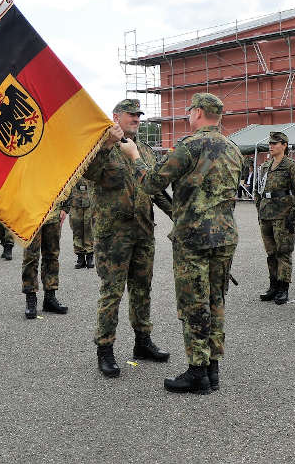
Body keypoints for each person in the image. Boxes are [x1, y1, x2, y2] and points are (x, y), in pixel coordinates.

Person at [118, 92, 242, 394]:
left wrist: (134, 155)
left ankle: (197, 372)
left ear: (198, 113)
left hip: (194, 239)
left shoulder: (189, 146)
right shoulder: (233, 148)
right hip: (225, 236)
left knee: (194, 303)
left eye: (191, 111)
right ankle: (212, 368)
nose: (189, 116)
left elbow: (150, 183)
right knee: (216, 301)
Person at [84, 98, 173, 378]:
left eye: (138, 115)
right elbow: (88, 173)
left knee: (142, 289)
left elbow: (155, 189)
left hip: (143, 231)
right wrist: (108, 144)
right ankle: (105, 349)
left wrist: (178, 215)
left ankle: (142, 342)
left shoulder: (144, 150)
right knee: (111, 293)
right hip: (114, 234)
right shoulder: (101, 148)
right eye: (131, 115)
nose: (136, 119)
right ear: (116, 117)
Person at [254, 131, 295, 304]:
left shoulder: (291, 166)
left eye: (275, 143)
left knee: (283, 253)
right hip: (266, 214)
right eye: (270, 143)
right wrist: (258, 209)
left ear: (284, 145)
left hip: (283, 215)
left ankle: (283, 288)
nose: (271, 146)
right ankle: (273, 285)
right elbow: (258, 190)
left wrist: (294, 212)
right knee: (271, 253)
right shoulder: (265, 166)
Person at [22, 199, 70, 319]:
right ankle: (31, 298)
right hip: (31, 214)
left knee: (52, 256)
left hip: (53, 213)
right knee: (30, 257)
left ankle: (50, 298)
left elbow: (67, 181)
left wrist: (65, 208)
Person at [68, 177, 95, 269]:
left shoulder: (90, 163)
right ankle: (80, 257)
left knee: (89, 229)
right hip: (74, 202)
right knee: (77, 229)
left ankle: (89, 256)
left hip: (90, 202)